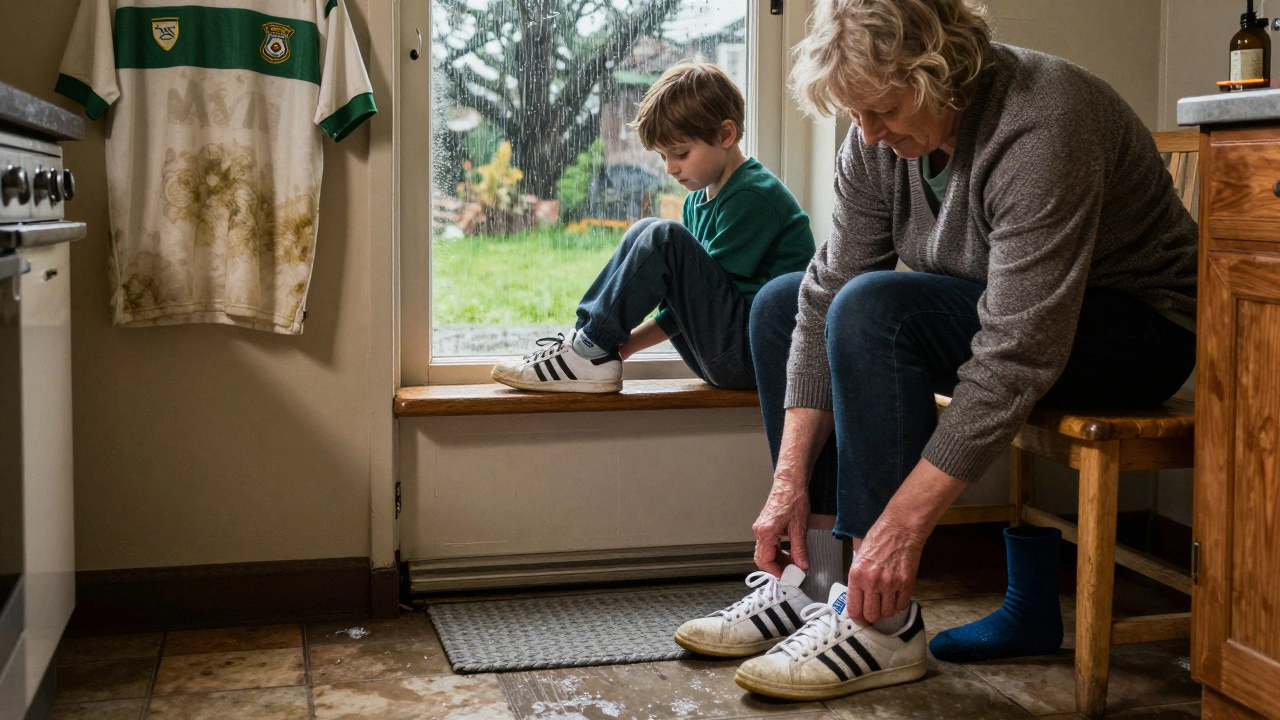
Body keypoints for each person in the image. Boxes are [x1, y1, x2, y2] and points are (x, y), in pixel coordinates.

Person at [675, 0, 1197, 702]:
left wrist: (896, 532)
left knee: (875, 310)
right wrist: (787, 483)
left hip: (1137, 329)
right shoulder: (875, 138)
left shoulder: (1043, 123)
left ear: (941, 70)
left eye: (883, 110)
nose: (868, 134)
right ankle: (820, 580)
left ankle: (880, 621)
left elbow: (1018, 354)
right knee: (781, 303)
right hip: (1009, 309)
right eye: (855, 115)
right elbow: (826, 289)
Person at [491, 62, 815, 393]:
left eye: (681, 153)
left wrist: (618, 346)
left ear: (726, 134)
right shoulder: (695, 202)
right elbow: (692, 301)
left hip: (756, 358)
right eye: (663, 156)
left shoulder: (753, 195)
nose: (671, 168)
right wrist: (618, 348)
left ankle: (588, 350)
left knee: (664, 238)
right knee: (647, 229)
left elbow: (703, 301)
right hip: (723, 353)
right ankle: (587, 346)